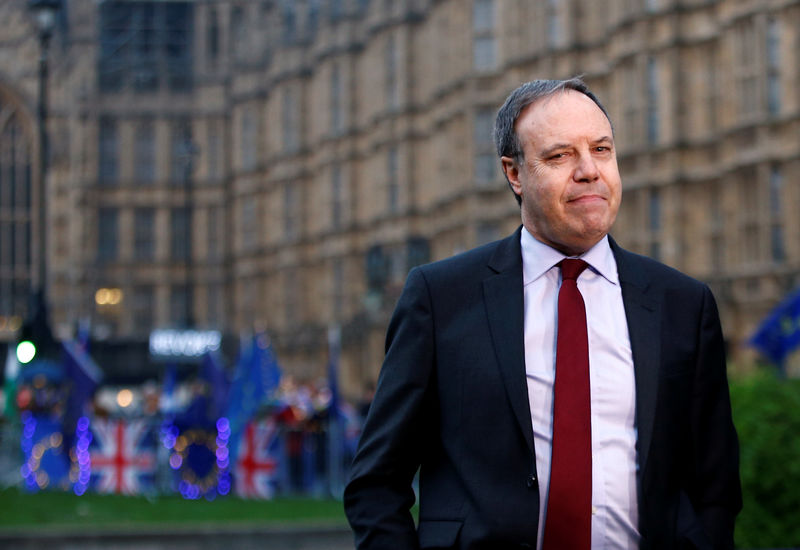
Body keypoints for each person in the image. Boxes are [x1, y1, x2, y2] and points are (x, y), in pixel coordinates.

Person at [343, 78, 741, 550]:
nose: (590, 170)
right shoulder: (441, 297)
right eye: (560, 156)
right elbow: (375, 483)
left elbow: (715, 485)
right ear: (515, 174)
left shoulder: (683, 303)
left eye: (602, 149)